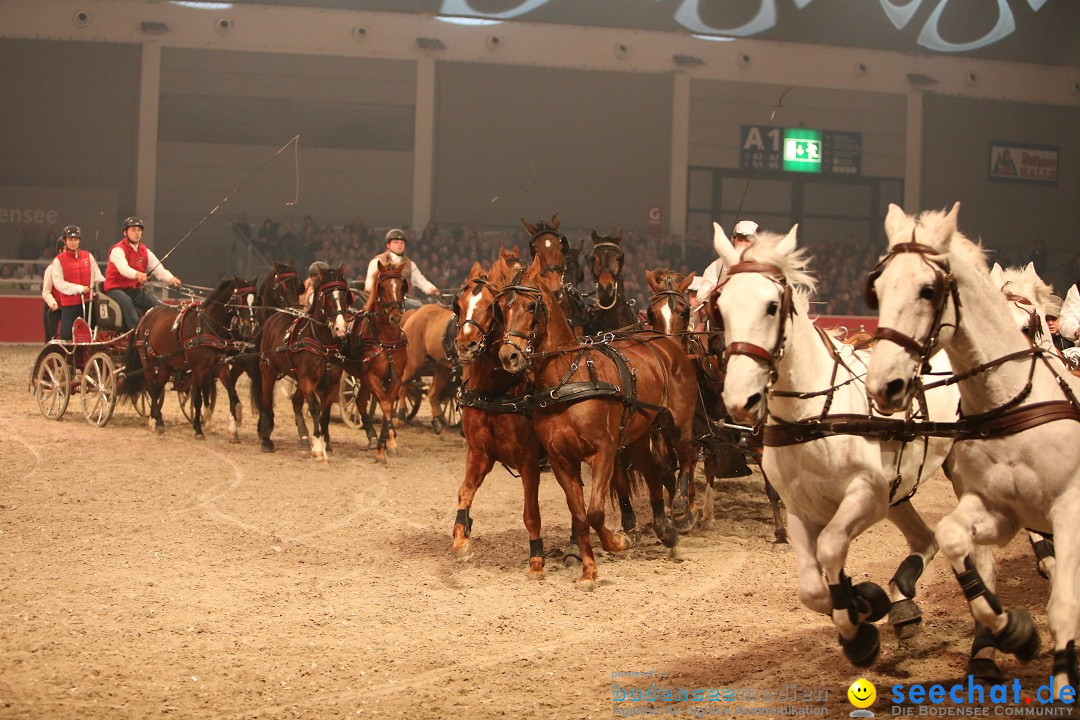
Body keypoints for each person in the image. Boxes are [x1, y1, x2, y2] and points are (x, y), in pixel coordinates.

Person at [104, 216, 183, 331]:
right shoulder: (117, 250)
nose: (137, 233)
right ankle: (135, 335)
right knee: (129, 308)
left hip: (135, 289)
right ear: (125, 233)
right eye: (133, 230)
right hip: (116, 289)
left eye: (139, 230)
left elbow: (158, 269)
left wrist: (171, 279)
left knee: (158, 308)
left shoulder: (145, 251)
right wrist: (138, 275)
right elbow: (123, 269)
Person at [50, 225, 105, 340]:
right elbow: (59, 283)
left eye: (75, 239)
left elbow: (98, 277)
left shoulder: (88, 256)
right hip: (70, 305)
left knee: (94, 334)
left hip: (89, 302)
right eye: (70, 239)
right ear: (65, 241)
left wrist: (104, 287)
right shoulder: (58, 261)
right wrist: (79, 289)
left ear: (79, 240)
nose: (73, 242)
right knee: (67, 336)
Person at [364, 228, 440, 308]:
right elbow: (369, 286)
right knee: (417, 305)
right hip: (379, 301)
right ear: (388, 245)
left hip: (400, 301)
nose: (399, 245)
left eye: (402, 243)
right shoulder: (377, 261)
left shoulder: (409, 264)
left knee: (420, 306)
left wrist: (432, 289)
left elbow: (420, 281)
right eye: (396, 242)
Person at [697, 220, 758, 300]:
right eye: (740, 240)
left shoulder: (765, 265)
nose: (743, 244)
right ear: (733, 240)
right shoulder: (718, 264)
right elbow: (701, 295)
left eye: (747, 241)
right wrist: (711, 292)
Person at [41, 236, 64, 341]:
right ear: (60, 250)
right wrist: (52, 303)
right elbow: (46, 291)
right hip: (53, 307)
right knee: (50, 338)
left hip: (68, 307)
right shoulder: (51, 268)